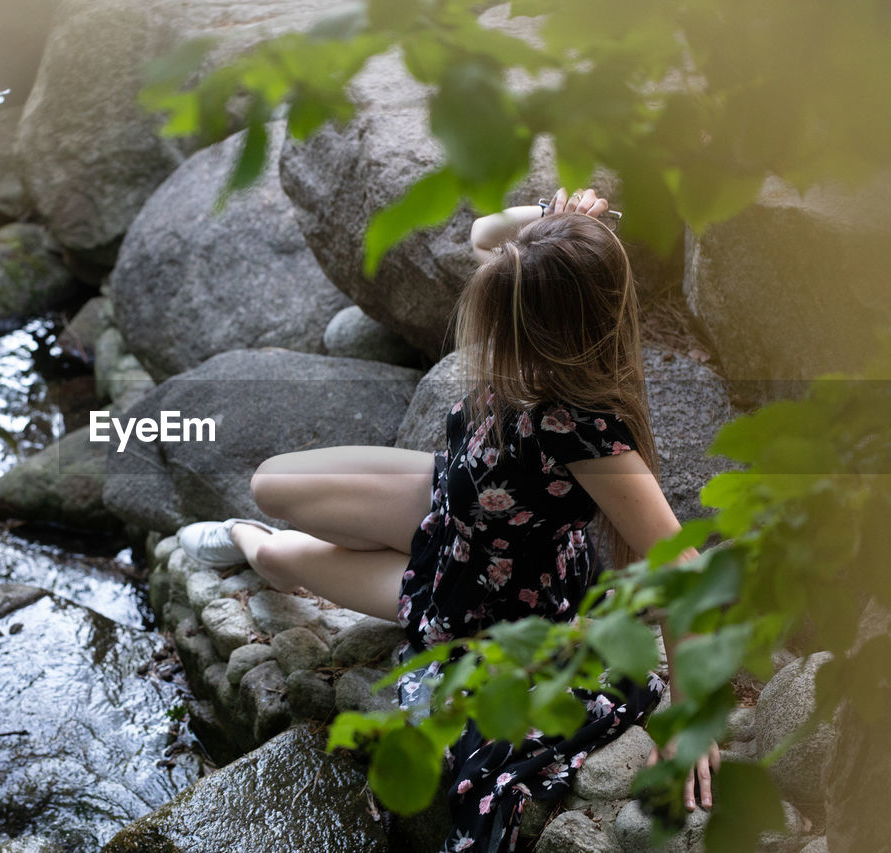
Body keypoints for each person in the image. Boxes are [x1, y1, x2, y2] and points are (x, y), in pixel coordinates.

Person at [176, 188, 719, 853]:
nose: (487, 332)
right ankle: (284, 533)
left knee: (280, 556)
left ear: (549, 325)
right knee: (270, 482)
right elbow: (486, 234)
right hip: (449, 499)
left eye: (501, 316)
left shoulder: (585, 432)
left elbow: (683, 568)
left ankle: (244, 543)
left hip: (478, 598)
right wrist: (555, 220)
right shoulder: (536, 314)